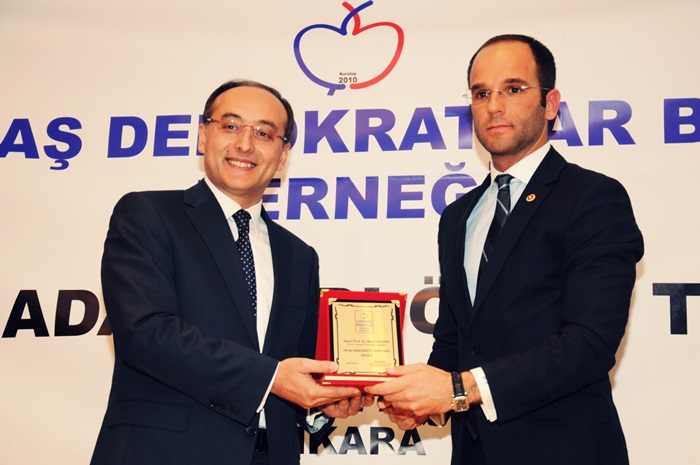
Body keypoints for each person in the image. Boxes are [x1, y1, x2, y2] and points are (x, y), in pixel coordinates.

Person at [366, 35, 644, 465]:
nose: (494, 106)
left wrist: (458, 389)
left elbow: (589, 343)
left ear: (550, 104)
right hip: (473, 452)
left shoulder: (592, 197)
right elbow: (455, 339)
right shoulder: (458, 216)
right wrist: (417, 400)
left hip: (566, 452)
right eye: (481, 93)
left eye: (513, 89)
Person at [91, 80, 372, 465]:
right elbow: (145, 332)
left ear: (283, 155)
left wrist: (323, 402)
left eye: (264, 133)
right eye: (230, 126)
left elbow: (296, 365)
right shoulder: (148, 215)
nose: (244, 144)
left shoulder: (299, 256)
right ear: (203, 136)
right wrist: (271, 378)